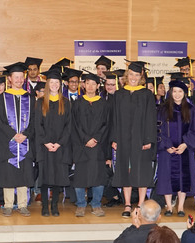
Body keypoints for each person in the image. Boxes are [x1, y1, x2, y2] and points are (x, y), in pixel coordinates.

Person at [111, 62, 157, 218]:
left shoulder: (146, 95)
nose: (133, 78)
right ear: (126, 75)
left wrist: (148, 139)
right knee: (125, 169)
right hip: (123, 138)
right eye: (131, 74)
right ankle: (127, 203)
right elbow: (115, 118)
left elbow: (151, 118)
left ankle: (141, 204)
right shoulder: (119, 94)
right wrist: (115, 138)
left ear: (141, 77)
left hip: (141, 138)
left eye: (137, 75)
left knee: (141, 170)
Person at [156, 80, 195, 217]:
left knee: (183, 177)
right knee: (167, 177)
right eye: (174, 91)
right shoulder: (162, 109)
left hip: (185, 150)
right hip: (168, 150)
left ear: (184, 93)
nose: (177, 94)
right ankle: (168, 207)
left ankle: (180, 207)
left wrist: (185, 144)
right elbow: (159, 130)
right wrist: (167, 146)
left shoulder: (190, 109)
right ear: (170, 92)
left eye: (180, 92)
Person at [0, 62, 35, 217]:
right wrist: (13, 134)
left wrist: (26, 134)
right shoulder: (2, 98)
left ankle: (23, 204)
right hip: (8, 142)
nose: (18, 80)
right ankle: (8, 204)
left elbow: (34, 120)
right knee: (8, 174)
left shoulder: (30, 98)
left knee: (24, 174)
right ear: (9, 79)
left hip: (25, 142)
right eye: (15, 77)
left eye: (21, 77)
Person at [72, 73, 110, 217]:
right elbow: (75, 125)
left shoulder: (104, 104)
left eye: (93, 84)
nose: (90, 86)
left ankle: (96, 204)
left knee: (98, 176)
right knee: (81, 176)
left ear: (98, 86)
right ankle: (81, 204)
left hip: (98, 146)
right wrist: (85, 139)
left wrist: (96, 139)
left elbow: (106, 124)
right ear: (83, 85)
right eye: (87, 83)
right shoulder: (77, 103)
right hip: (81, 146)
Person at [35, 69, 72, 217]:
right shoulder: (40, 102)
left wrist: (59, 143)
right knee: (44, 177)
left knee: (57, 177)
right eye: (52, 82)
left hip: (60, 147)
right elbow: (37, 125)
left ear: (60, 84)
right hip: (45, 147)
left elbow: (69, 126)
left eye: (57, 82)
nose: (55, 85)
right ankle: (45, 206)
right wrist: (46, 142)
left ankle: (55, 205)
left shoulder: (66, 103)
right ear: (48, 84)